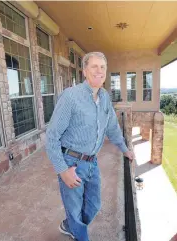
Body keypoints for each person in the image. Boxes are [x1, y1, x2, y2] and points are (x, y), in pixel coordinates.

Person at [46, 52, 135, 241]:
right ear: (85, 71)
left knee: (93, 205)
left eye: (102, 67)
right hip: (71, 163)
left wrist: (125, 149)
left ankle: (70, 224)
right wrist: (63, 171)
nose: (99, 71)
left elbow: (112, 127)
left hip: (92, 162)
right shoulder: (71, 97)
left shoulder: (104, 98)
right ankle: (77, 231)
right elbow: (52, 136)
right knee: (75, 210)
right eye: (94, 66)